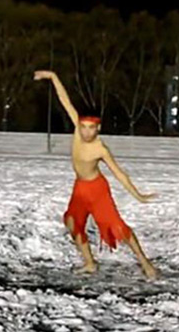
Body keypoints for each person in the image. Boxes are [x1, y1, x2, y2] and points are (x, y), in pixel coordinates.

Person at [34, 70, 158, 279]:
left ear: (98, 128)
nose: (86, 132)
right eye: (83, 127)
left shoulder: (101, 149)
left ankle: (146, 264)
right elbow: (65, 100)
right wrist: (53, 76)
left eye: (91, 128)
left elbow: (119, 173)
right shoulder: (77, 130)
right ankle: (90, 263)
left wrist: (138, 195)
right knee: (73, 223)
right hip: (80, 188)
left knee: (117, 227)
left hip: (97, 189)